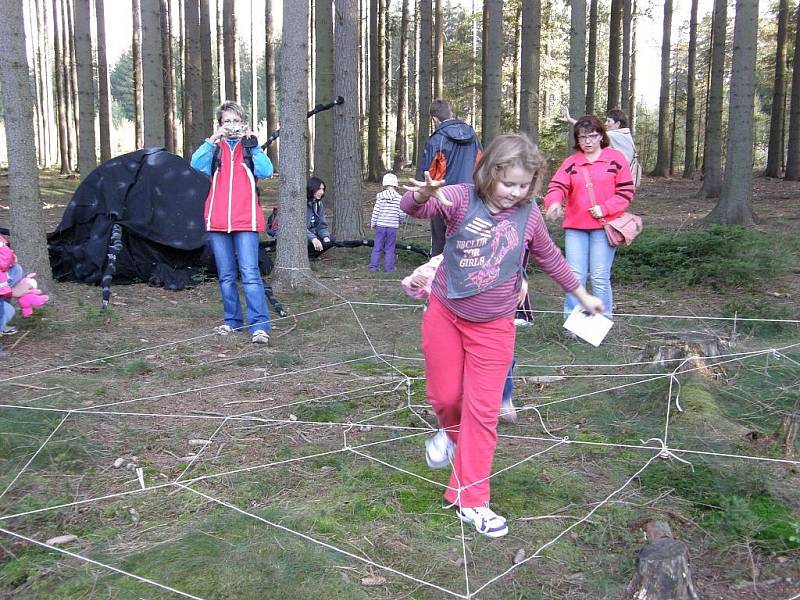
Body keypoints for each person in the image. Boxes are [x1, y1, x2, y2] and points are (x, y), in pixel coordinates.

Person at [401, 133, 605, 538]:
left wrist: (582, 295)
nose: (515, 192)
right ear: (488, 173)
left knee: (483, 412)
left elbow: (550, 258)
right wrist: (424, 193)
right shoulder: (459, 198)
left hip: (494, 327)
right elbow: (414, 208)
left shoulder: (528, 216)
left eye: (523, 185)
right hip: (446, 312)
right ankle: (449, 432)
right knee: (445, 397)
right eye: (507, 183)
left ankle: (472, 499)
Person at [190, 100, 274, 344]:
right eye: (226, 121)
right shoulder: (214, 150)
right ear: (220, 124)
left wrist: (254, 146)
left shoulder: (248, 150)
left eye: (236, 121)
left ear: (243, 123)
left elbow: (266, 171)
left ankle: (260, 326)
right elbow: (195, 164)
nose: (231, 126)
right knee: (226, 276)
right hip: (217, 222)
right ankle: (232, 322)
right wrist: (212, 139)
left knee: (249, 274)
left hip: (245, 221)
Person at [544, 115, 635, 319]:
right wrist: (554, 203)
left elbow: (627, 191)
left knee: (600, 276)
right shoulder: (571, 162)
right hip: (576, 227)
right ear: (577, 139)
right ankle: (573, 321)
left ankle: (603, 320)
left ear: (601, 135)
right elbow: (556, 186)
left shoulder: (615, 158)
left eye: (592, 136)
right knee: (574, 276)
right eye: (582, 137)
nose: (587, 141)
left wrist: (606, 208)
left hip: (604, 227)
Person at [418, 98, 482, 257]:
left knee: (440, 245)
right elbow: (482, 165)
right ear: (450, 113)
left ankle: (438, 277)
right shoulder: (473, 137)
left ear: (434, 119)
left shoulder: (437, 139)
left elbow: (428, 173)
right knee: (467, 243)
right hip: (471, 198)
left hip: (443, 197)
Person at [369, 173, 404, 272]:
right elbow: (402, 213)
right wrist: (400, 221)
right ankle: (389, 268)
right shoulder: (399, 198)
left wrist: (373, 222)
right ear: (396, 185)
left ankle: (373, 266)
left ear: (384, 184)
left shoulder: (380, 197)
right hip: (392, 226)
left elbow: (376, 211)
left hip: (380, 226)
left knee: (377, 246)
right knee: (390, 247)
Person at [306, 177, 335, 257]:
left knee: (331, 238)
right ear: (311, 188)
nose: (321, 192)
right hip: (300, 235)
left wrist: (325, 237)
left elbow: (321, 225)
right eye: (319, 189)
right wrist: (313, 238)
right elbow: (298, 228)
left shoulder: (318, 204)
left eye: (323, 189)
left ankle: (312, 256)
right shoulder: (301, 204)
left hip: (311, 233)